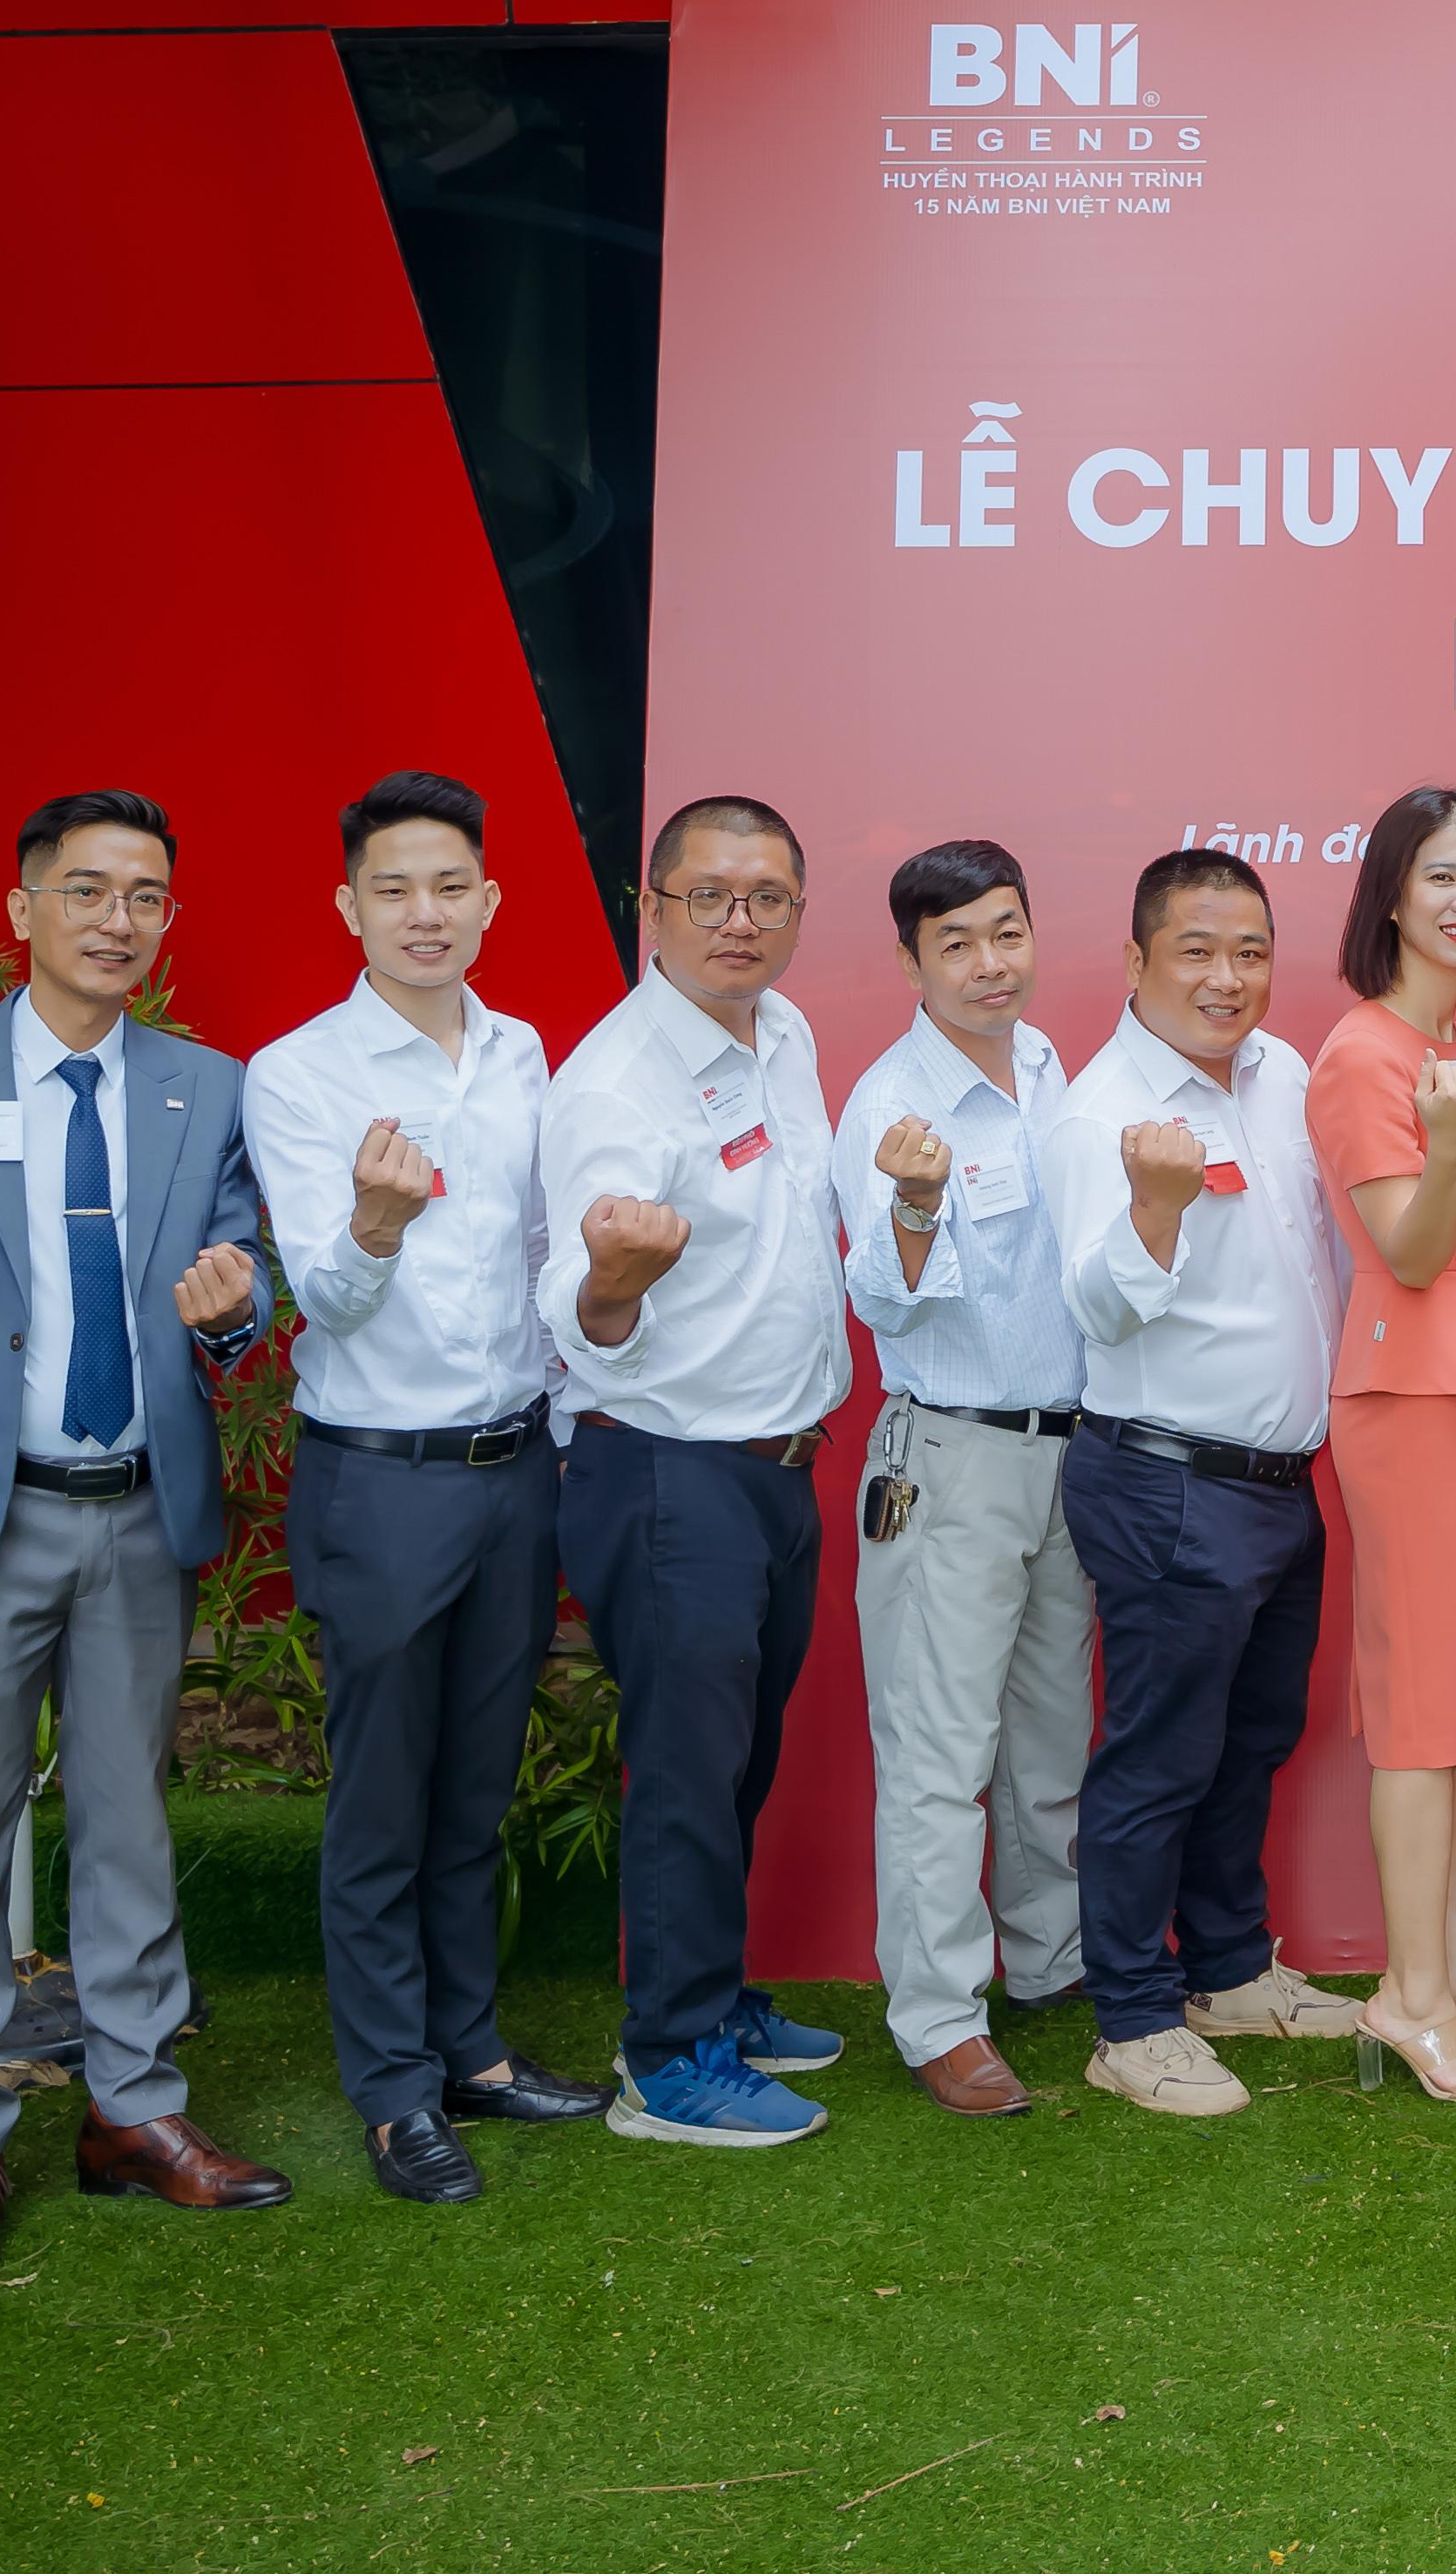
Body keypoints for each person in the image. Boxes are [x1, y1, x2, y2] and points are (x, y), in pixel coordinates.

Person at [0, 788, 280, 2286]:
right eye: (86, 890)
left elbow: (243, 1285)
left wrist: (234, 1310)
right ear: (20, 910)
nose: (116, 921)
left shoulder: (204, 1088)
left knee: (129, 1825)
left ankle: (134, 2112)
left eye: (145, 897)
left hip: (139, 1513)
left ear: (168, 922)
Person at [247, 769, 602, 2204]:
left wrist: (568, 1413)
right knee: (383, 1802)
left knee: (474, 1788)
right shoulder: (300, 1073)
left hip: (514, 1468)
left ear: (489, 901)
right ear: (348, 907)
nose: (424, 913)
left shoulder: (522, 1054)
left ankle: (472, 2053)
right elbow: (322, 1297)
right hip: (383, 1481)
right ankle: (394, 2093)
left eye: (450, 886)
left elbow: (541, 1257)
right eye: (393, 888)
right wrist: (377, 1225)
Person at [541, 792, 852, 2147]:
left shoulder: (782, 1032)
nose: (740, 921)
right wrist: (614, 1280)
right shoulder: (615, 1082)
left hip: (773, 1468)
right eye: (709, 896)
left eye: (767, 898)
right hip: (669, 1472)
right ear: (651, 909)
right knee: (685, 1771)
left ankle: (714, 1999)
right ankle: (667, 2062)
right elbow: (579, 1312)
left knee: (735, 1763)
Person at [1043, 851, 1368, 2123]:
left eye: (1249, 952)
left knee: (1251, 1738)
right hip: (1167, 1479)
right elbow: (1095, 1307)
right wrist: (1155, 1209)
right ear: (1136, 961)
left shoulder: (1283, 1073)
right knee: (1160, 1755)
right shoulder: (1103, 1113)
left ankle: (1227, 1969)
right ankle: (1131, 2018)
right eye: (1196, 951)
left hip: (1283, 1482)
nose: (1226, 978)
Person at [829, 838, 1092, 2118]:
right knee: (940, 1750)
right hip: (950, 1455)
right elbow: (880, 1299)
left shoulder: (1047, 1067)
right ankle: (939, 2015)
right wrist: (918, 1204)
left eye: (1006, 933)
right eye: (957, 945)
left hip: (1070, 1452)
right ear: (911, 962)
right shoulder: (892, 1107)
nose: (990, 965)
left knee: (1050, 1734)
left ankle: (1051, 1962)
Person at [1306, 783, 1456, 2103]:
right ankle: (1406, 1996)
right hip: (1408, 1398)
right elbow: (1407, 1251)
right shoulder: (1363, 1054)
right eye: (1442, 876)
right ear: (1390, 895)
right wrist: (1448, 1146)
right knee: (1418, 1715)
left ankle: (1450, 1983)